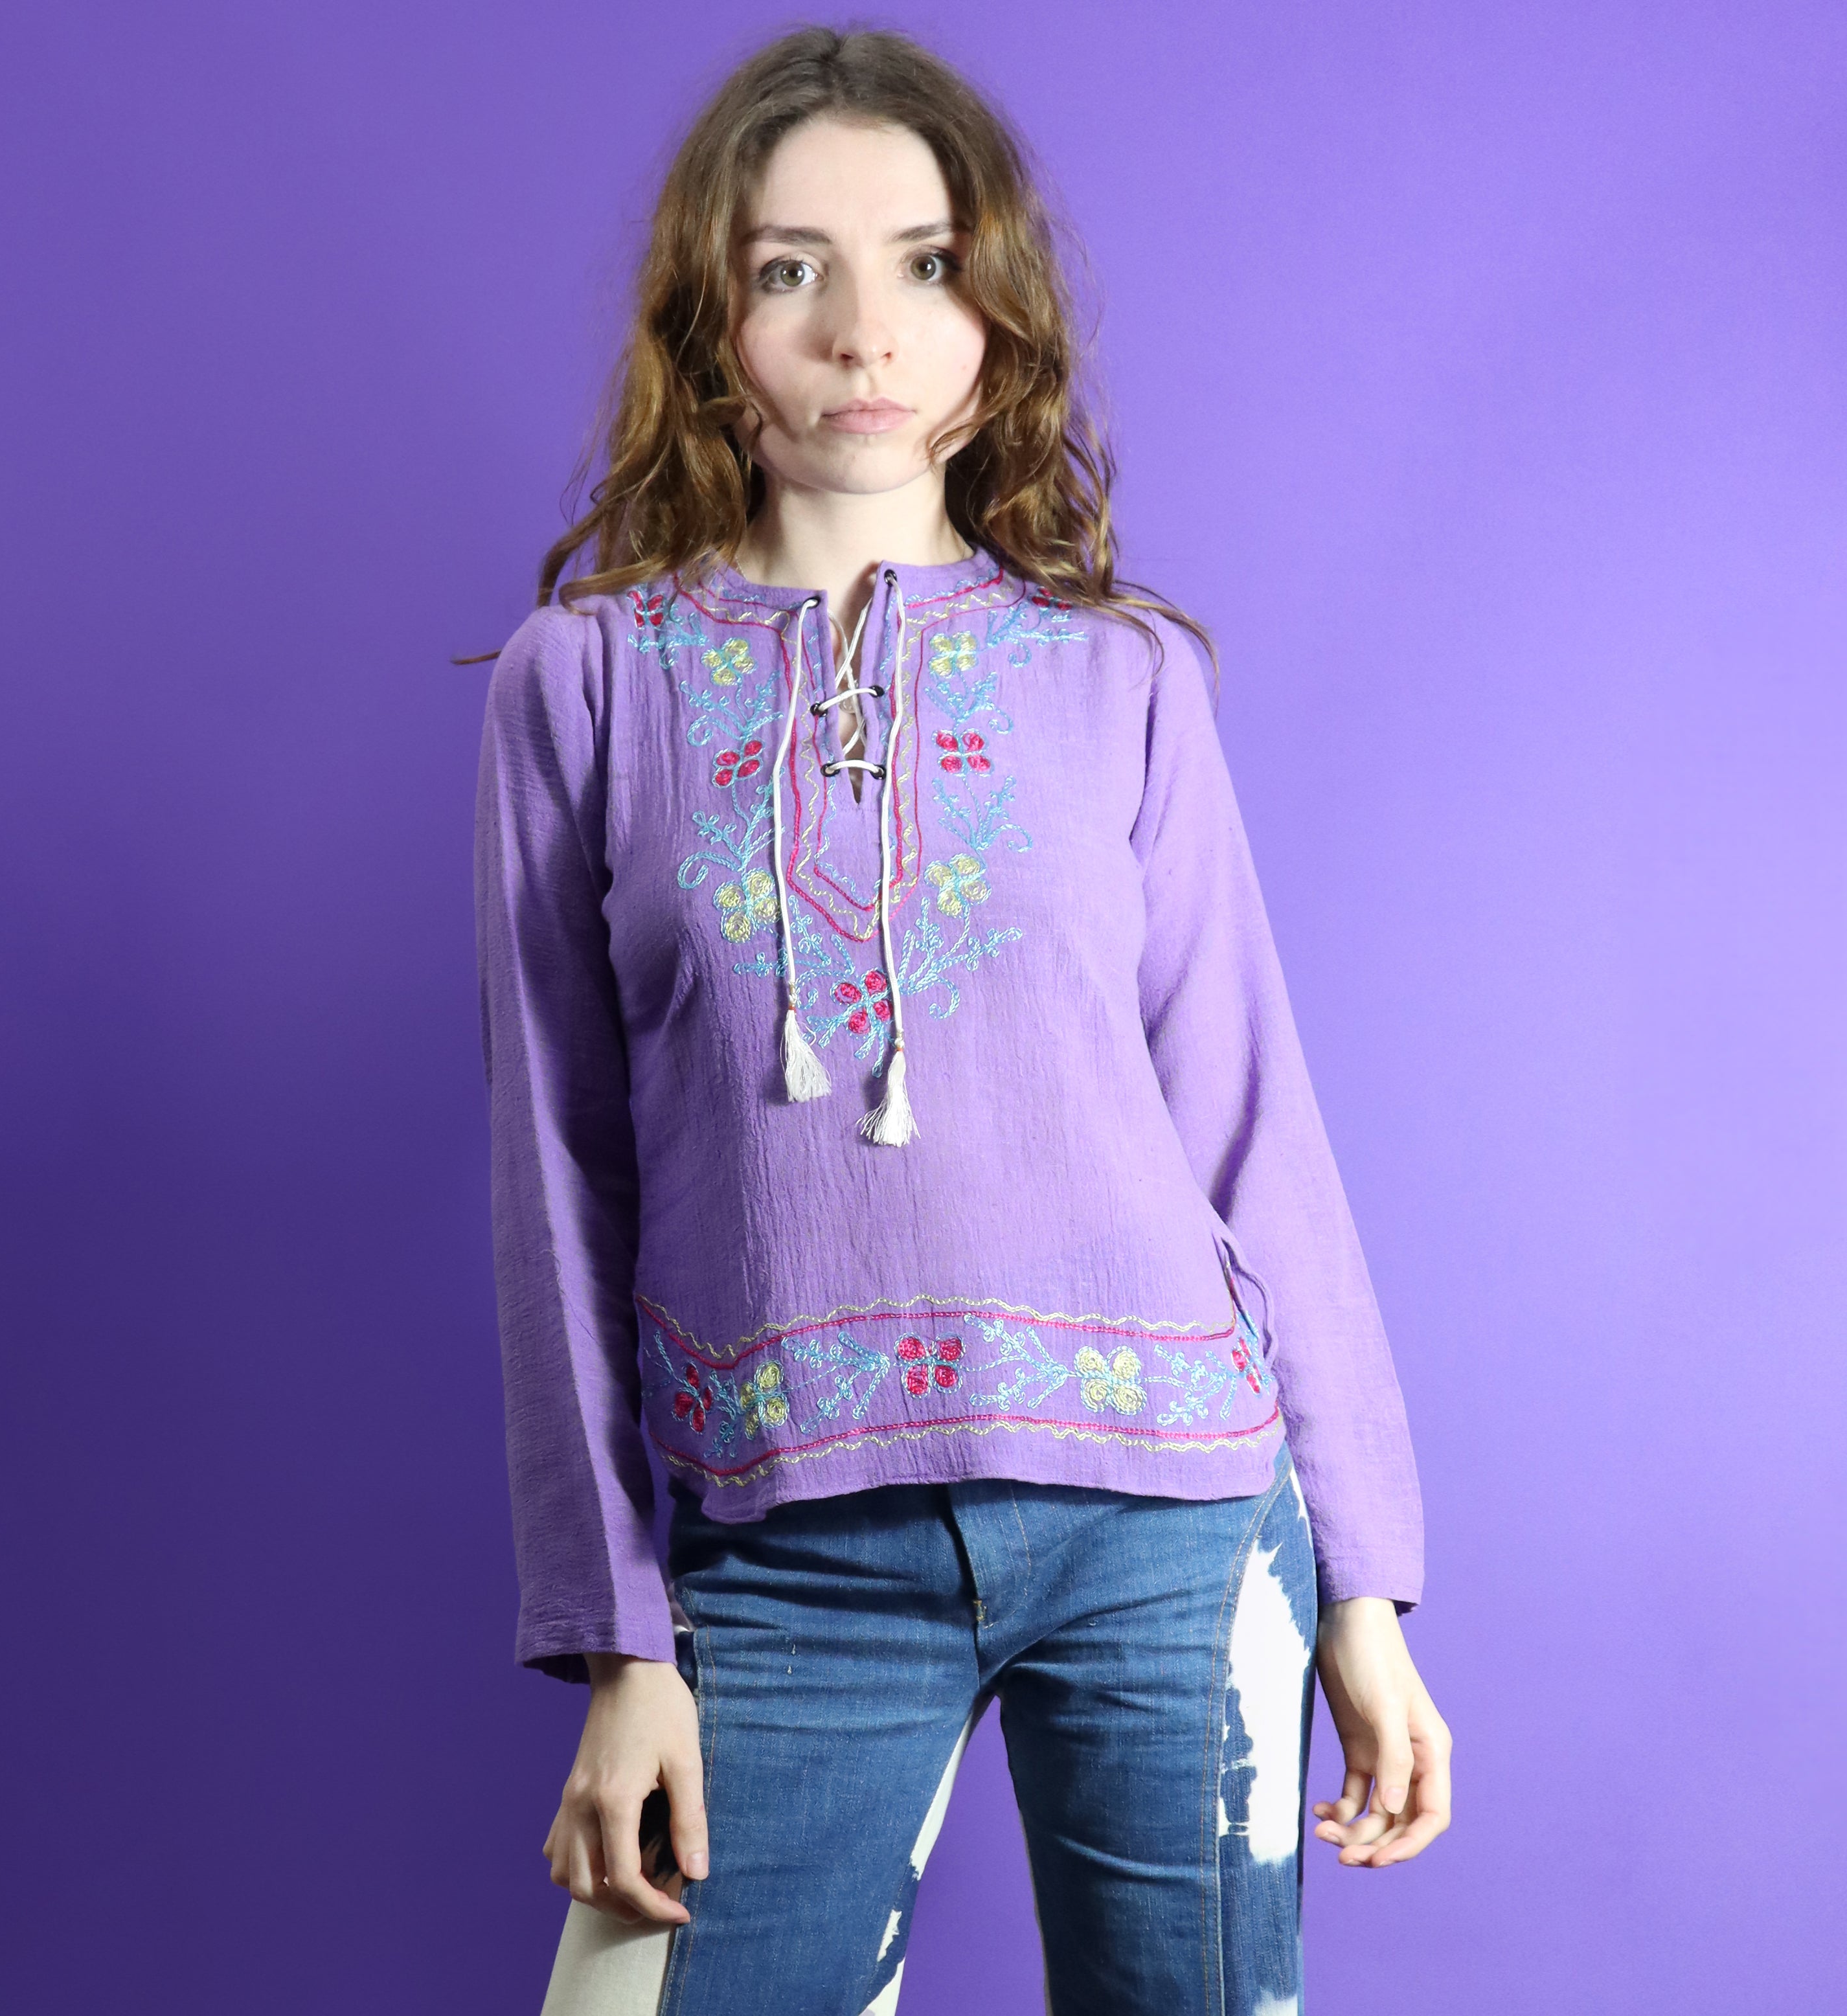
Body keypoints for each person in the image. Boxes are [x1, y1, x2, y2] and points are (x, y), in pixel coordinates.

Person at [472, 25, 1452, 2016]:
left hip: (1176, 1527)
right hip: (785, 1550)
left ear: (998, 315)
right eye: (791, 269)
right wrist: (619, 1637)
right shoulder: (583, 687)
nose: (864, 330)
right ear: (709, 317)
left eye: (924, 264)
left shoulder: (1121, 677)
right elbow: (556, 1183)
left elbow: (1249, 1120)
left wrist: (1365, 1578)